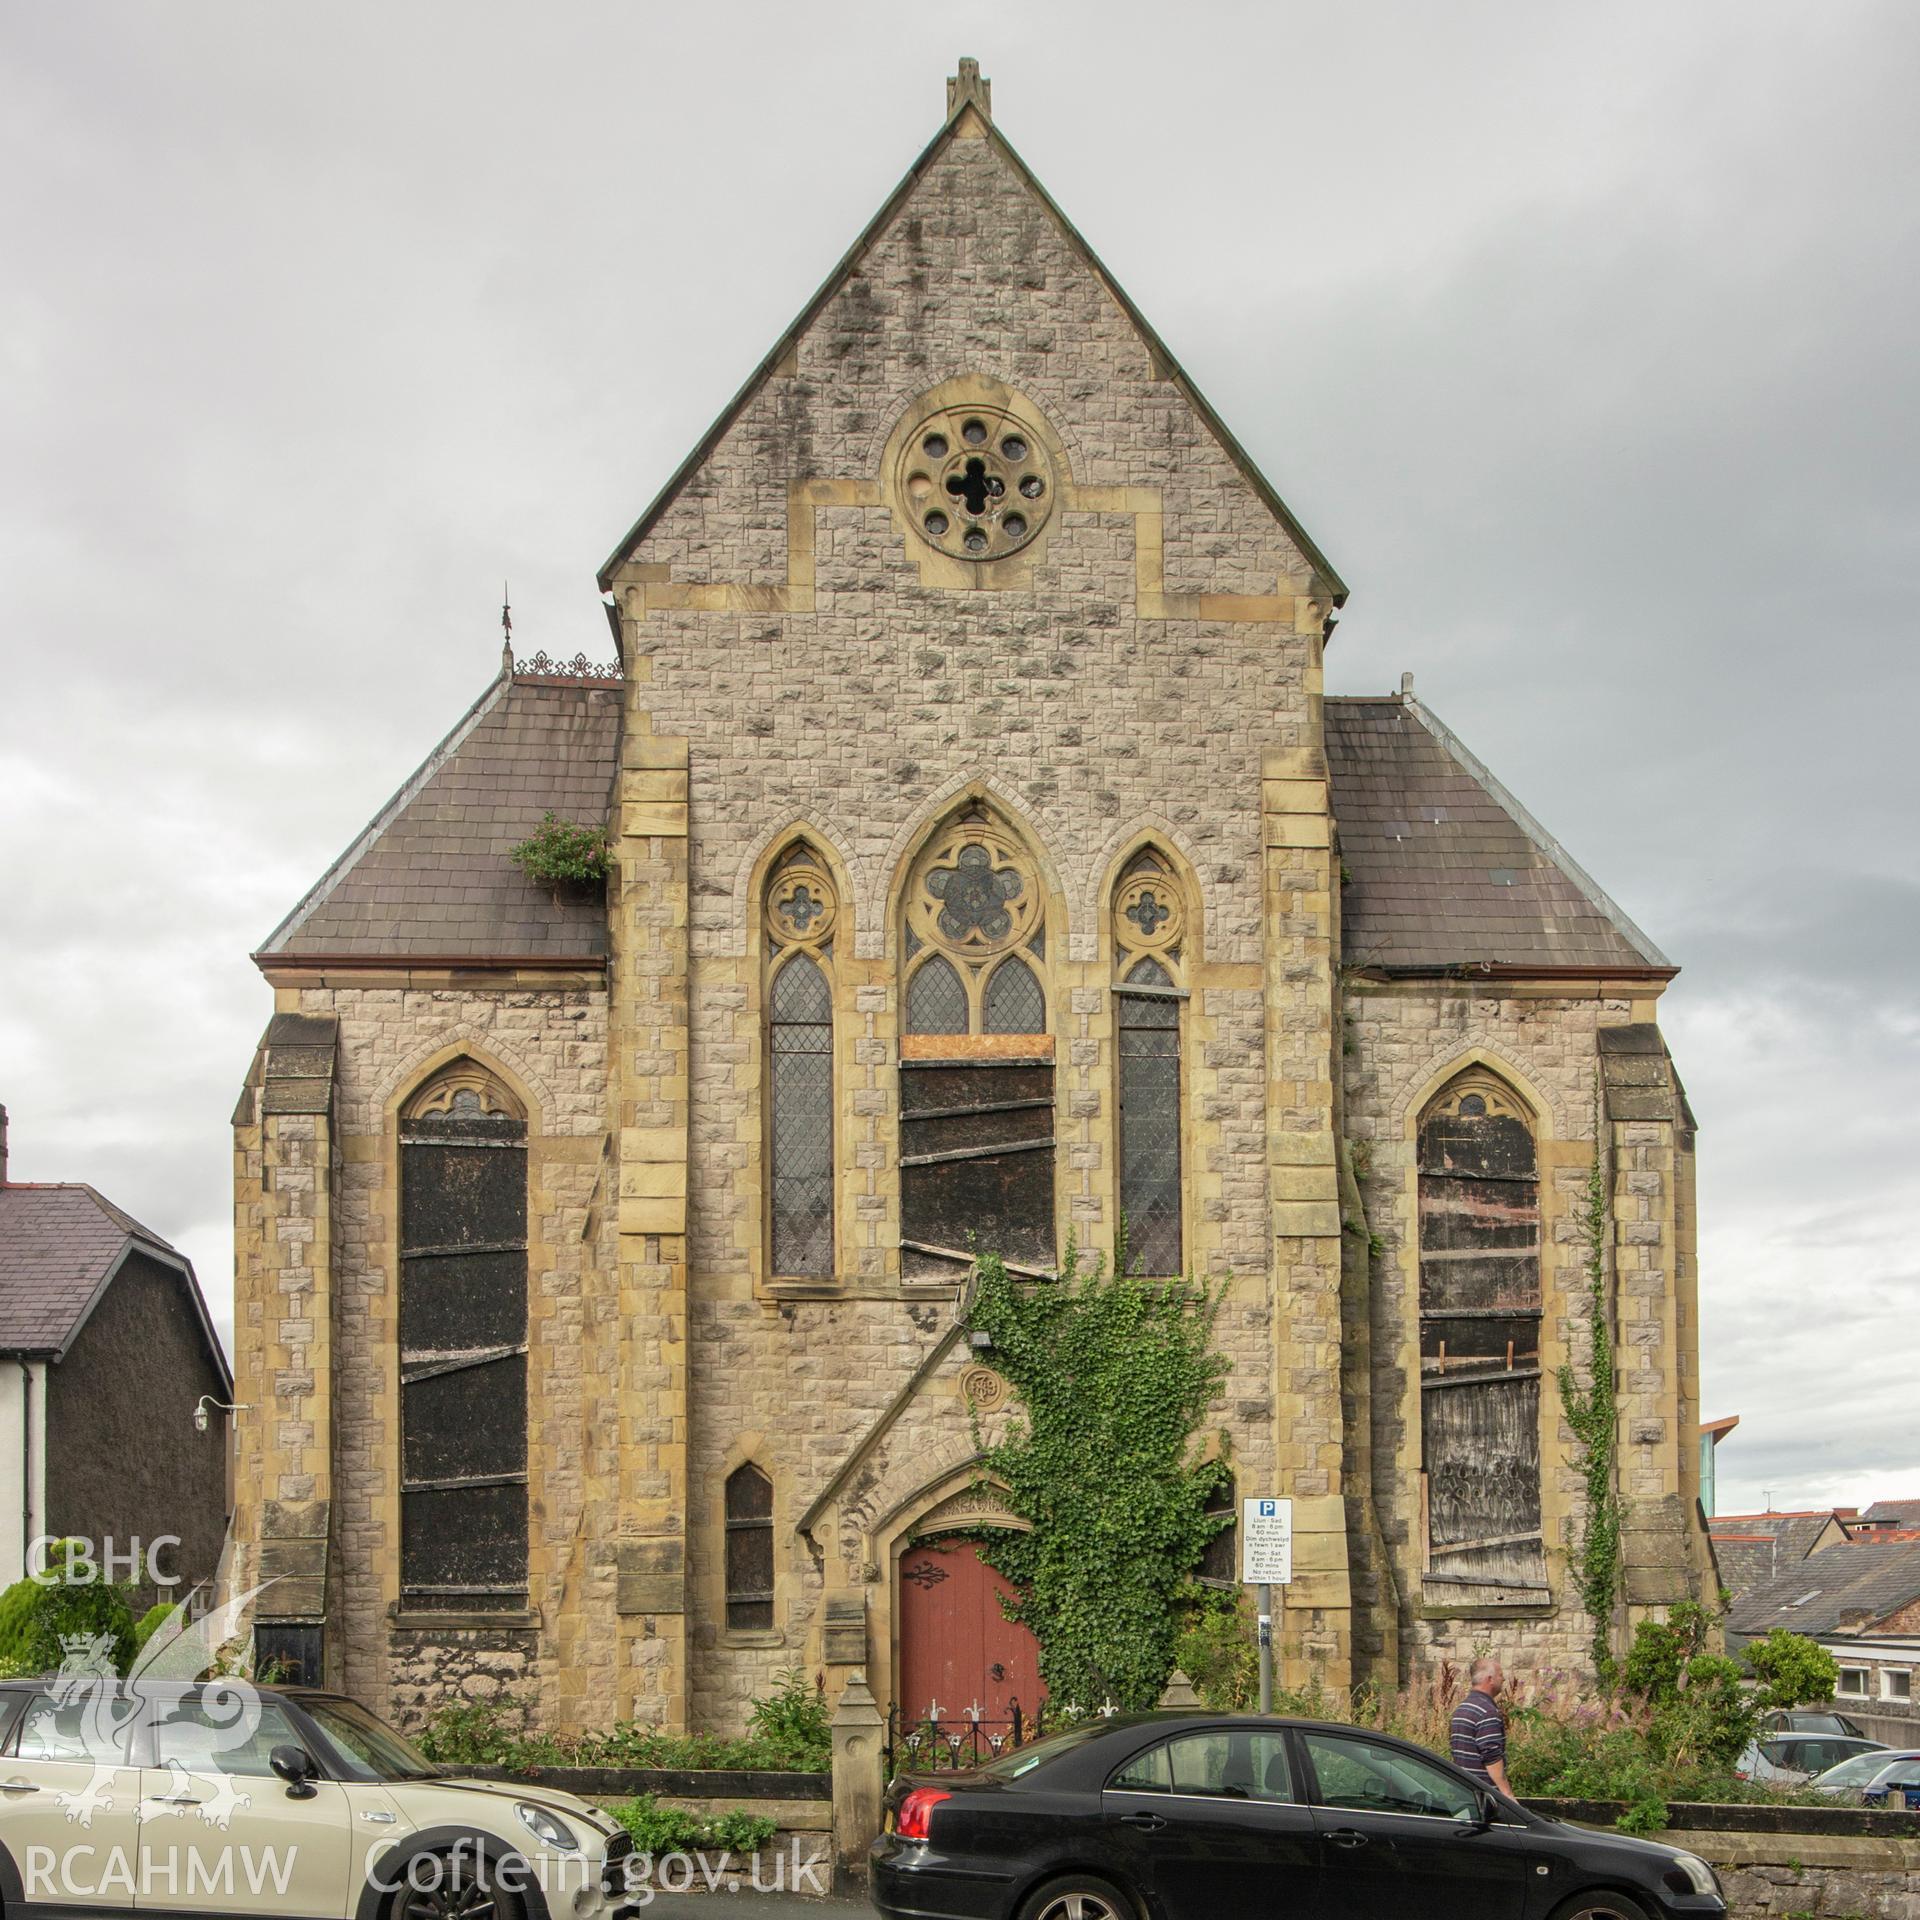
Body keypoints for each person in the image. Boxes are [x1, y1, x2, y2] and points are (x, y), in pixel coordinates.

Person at [1449, 1655, 1513, 1798]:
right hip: (1485, 1798)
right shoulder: (1487, 1711)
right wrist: (1507, 1795)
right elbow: (1491, 1756)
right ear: (1489, 1679)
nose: (1503, 1679)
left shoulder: (1462, 1709)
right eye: (1500, 1675)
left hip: (1463, 1792)